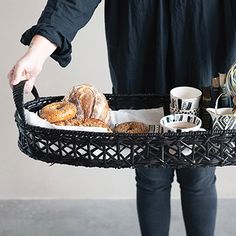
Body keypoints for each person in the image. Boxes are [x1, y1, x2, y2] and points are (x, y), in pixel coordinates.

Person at [8, 1, 236, 235]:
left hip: (204, 48)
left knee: (200, 171)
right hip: (140, 56)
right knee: (150, 172)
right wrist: (38, 50)